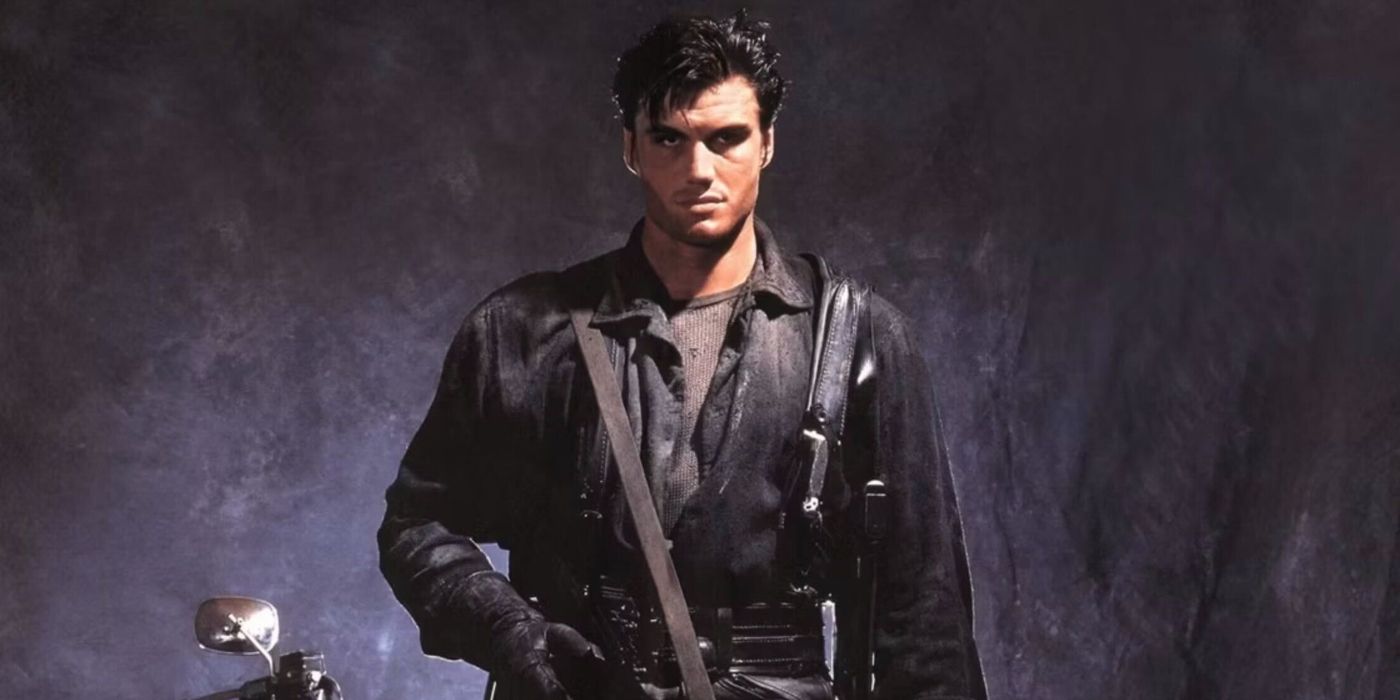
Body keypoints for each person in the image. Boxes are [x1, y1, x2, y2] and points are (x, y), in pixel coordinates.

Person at [378, 11, 986, 700]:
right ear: (631, 148)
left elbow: (925, 620)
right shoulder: (523, 331)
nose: (699, 170)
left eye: (727, 138)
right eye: (669, 138)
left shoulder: (861, 341)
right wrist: (512, 632)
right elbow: (417, 523)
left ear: (767, 143)